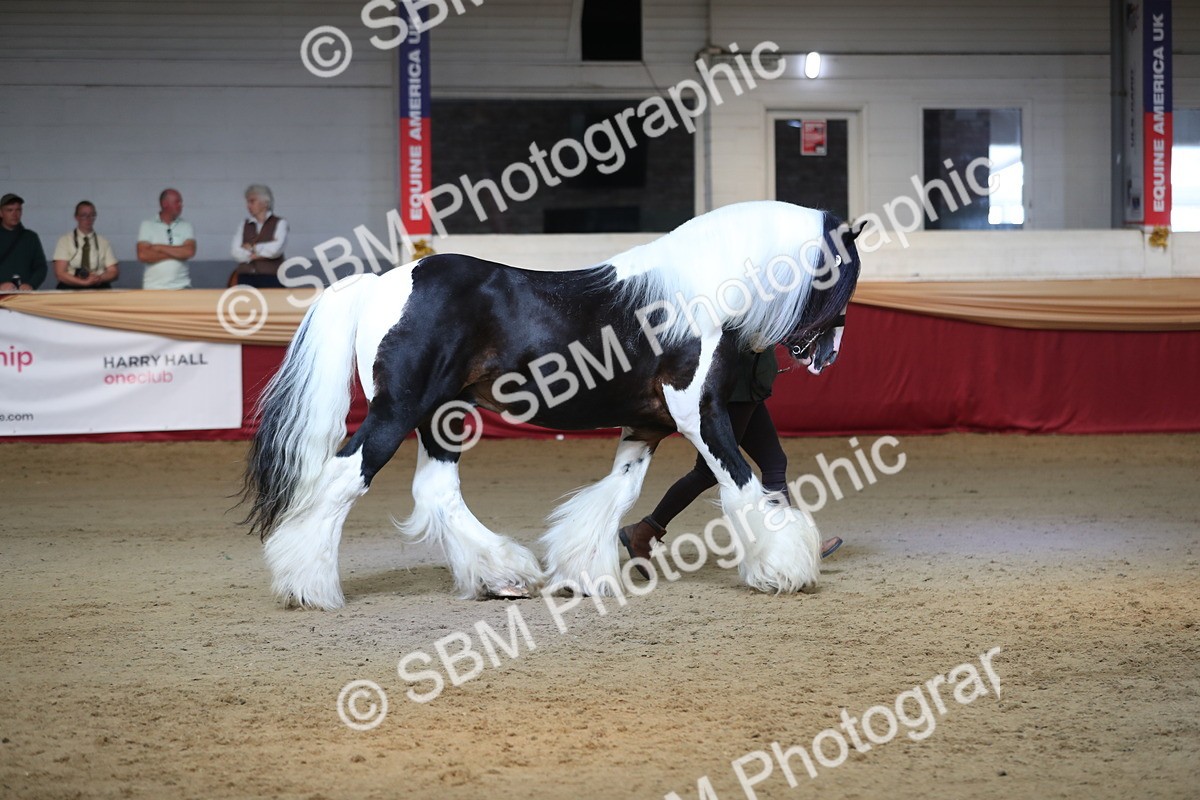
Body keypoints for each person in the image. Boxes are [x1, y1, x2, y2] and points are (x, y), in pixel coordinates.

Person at [619, 347, 843, 574]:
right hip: (738, 386)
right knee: (708, 471)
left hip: (748, 385)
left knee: (773, 462)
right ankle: (644, 532)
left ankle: (790, 546)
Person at [229, 184, 287, 288]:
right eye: (248, 202)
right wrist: (262, 254)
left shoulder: (280, 223)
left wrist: (252, 248)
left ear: (265, 203)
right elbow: (235, 252)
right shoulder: (244, 224)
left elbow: (276, 250)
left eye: (252, 201)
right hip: (246, 278)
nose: (248, 206)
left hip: (271, 278)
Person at [137, 188, 196, 289]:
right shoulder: (147, 225)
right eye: (177, 202)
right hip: (153, 288)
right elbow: (143, 255)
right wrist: (178, 253)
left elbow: (189, 252)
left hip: (182, 287)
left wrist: (159, 247)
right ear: (165, 204)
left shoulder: (186, 226)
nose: (181, 205)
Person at [52, 201, 119, 290]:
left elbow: (113, 271)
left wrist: (99, 278)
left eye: (92, 215)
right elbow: (60, 273)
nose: (88, 219)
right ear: (76, 217)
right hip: (71, 286)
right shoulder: (65, 241)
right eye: (84, 215)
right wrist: (83, 283)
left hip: (98, 285)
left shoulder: (104, 242)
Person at [0, 193, 48, 291]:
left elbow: (41, 267)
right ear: (1, 213)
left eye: (18, 210)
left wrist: (31, 285)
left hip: (24, 296)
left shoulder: (31, 237)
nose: (15, 214)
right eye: (10, 210)